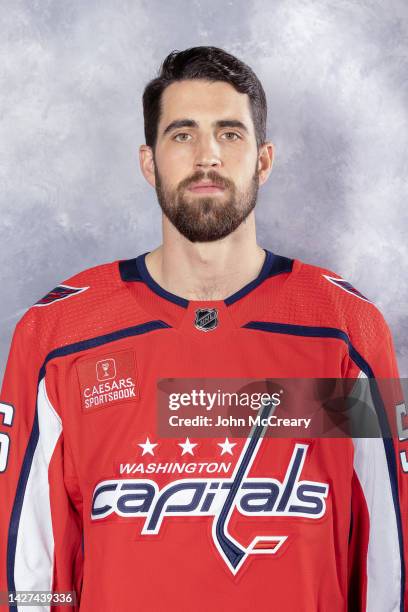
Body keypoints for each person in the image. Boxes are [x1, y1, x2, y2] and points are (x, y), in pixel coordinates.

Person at [0, 46, 406, 612]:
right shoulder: (59, 334)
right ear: (150, 162)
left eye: (230, 134)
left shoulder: (342, 331)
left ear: (263, 161)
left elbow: (386, 553)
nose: (207, 156)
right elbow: (30, 569)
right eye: (183, 134)